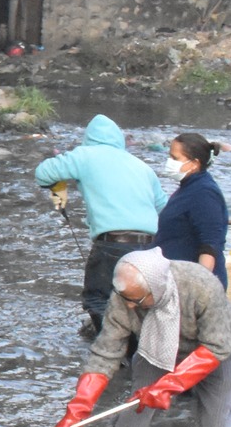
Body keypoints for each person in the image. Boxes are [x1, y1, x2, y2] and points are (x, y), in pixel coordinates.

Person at [48, 248, 231, 427]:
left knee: (215, 426)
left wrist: (167, 386)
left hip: (217, 351)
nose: (130, 305)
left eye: (137, 300)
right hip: (156, 346)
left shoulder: (202, 285)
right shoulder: (123, 298)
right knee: (135, 410)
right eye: (126, 298)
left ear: (156, 288)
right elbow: (105, 354)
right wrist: (77, 410)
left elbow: (216, 347)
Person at [34, 114, 168, 340]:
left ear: (88, 138)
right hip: (150, 246)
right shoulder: (141, 166)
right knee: (141, 300)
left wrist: (59, 184)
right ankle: (143, 348)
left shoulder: (85, 155)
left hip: (113, 243)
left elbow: (43, 174)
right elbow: (164, 206)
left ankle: (114, 348)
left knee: (97, 299)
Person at [153, 132, 227, 271]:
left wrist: (201, 280)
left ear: (194, 163)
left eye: (175, 158)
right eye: (169, 156)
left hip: (191, 278)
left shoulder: (204, 192)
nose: (169, 162)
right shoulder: (187, 188)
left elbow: (210, 245)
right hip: (174, 272)